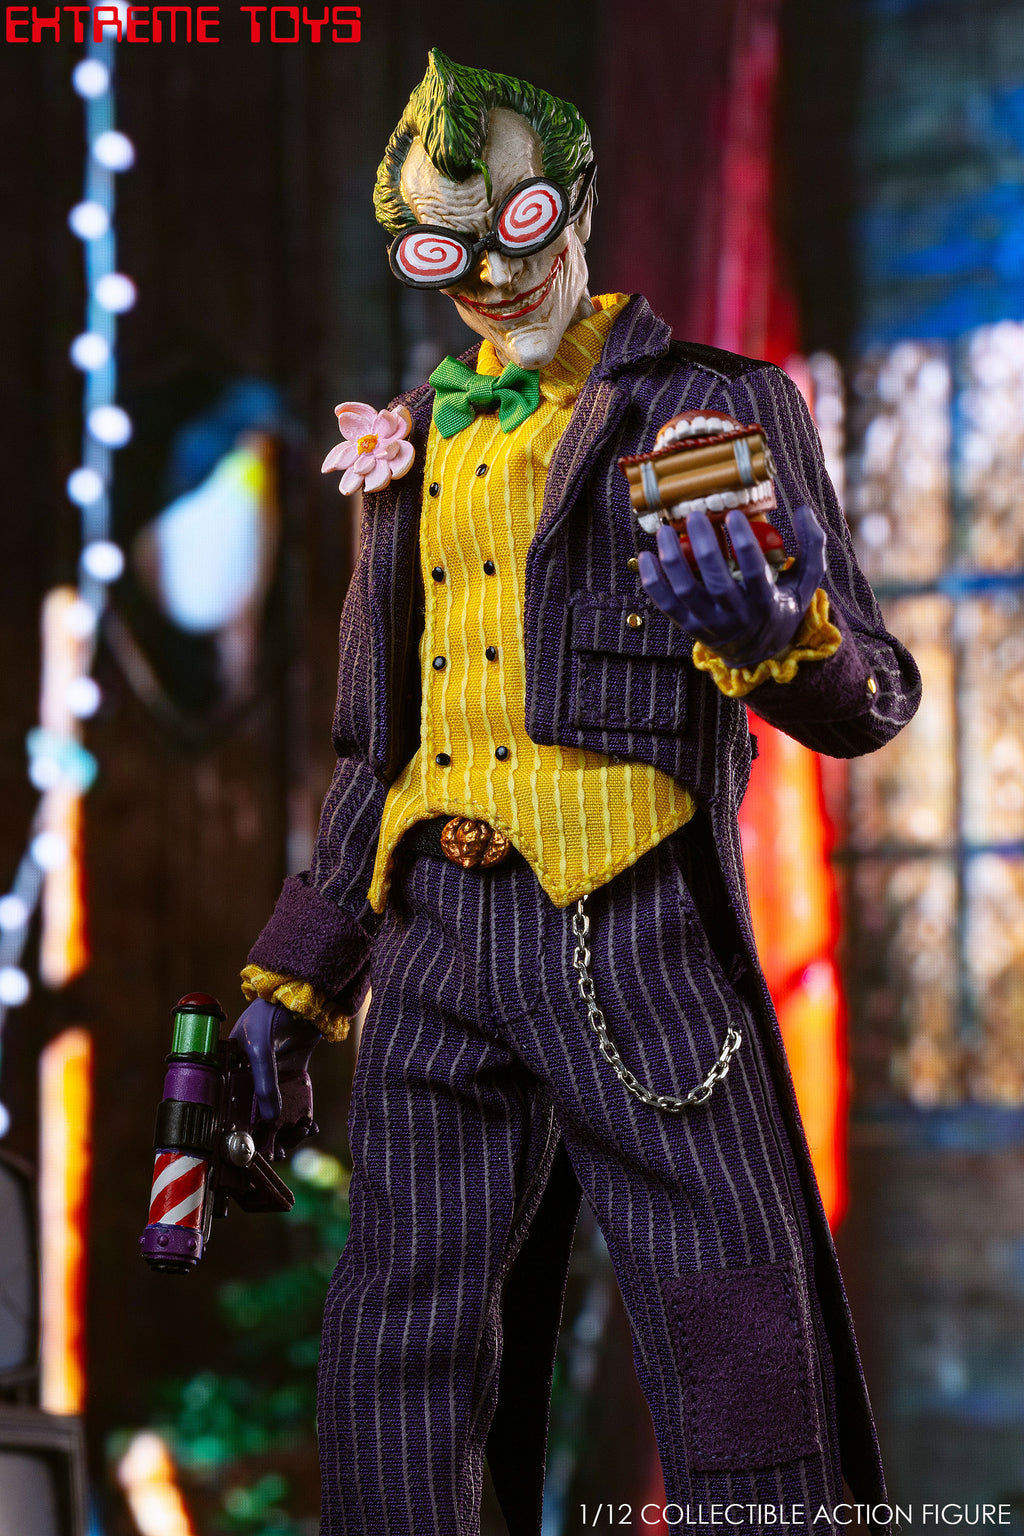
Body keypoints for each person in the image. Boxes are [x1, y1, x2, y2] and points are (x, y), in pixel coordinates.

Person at [231, 49, 921, 1536]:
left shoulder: (715, 405)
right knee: (396, 1333)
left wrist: (778, 636)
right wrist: (294, 978)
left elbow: (874, 692)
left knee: (730, 1308)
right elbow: (372, 746)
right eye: (443, 248)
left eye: (518, 221)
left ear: (579, 201)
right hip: (429, 940)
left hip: (634, 928)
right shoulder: (409, 442)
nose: (490, 271)